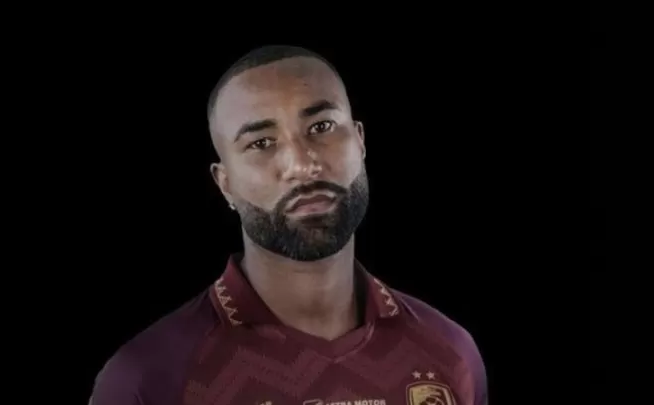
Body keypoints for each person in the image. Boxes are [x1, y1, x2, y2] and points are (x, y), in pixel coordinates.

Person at [89, 45, 488, 405]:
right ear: (224, 183)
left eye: (321, 127)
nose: (301, 164)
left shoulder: (450, 352)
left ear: (360, 141)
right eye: (261, 143)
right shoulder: (150, 379)